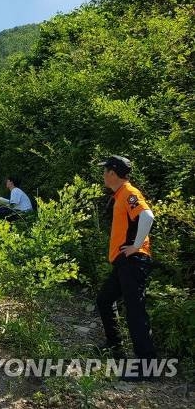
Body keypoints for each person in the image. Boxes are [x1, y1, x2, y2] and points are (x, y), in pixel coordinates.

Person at [95, 156, 156, 377]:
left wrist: (136, 246)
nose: (103, 175)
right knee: (104, 300)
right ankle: (115, 346)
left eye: (105, 171)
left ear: (113, 172)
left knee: (135, 311)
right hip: (124, 263)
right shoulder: (120, 194)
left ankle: (147, 368)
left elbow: (147, 216)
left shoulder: (129, 192)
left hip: (133, 261)